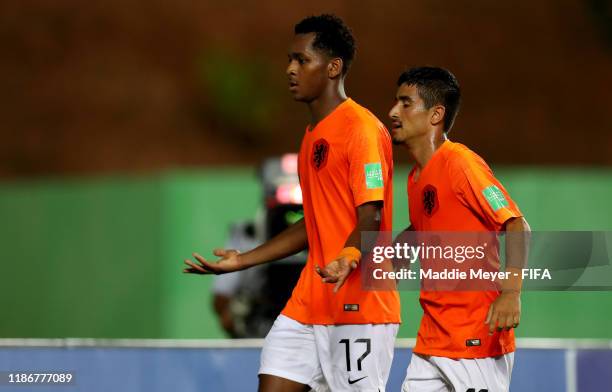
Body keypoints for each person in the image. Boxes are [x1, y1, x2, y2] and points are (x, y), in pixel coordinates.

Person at [184, 14, 400, 392]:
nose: (290, 69)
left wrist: (347, 258)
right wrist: (242, 261)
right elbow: (311, 224)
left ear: (333, 67)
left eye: (302, 60)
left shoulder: (361, 129)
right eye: (290, 59)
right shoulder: (311, 137)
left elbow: (372, 213)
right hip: (308, 303)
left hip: (358, 305)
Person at [388, 66, 531, 392]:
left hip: (475, 338)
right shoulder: (416, 178)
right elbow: (421, 227)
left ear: (436, 114)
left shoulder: (461, 163)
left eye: (405, 103)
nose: (394, 112)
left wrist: (511, 292)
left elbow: (516, 224)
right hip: (433, 338)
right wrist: (391, 258)